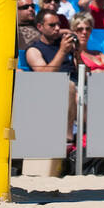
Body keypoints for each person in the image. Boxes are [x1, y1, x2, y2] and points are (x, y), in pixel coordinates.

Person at [23, 10, 79, 142]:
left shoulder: (65, 44)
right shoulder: (34, 50)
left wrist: (78, 52)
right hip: (54, 91)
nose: (57, 28)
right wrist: (62, 51)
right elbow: (44, 76)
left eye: (58, 24)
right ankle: (68, 138)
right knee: (69, 86)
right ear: (40, 27)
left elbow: (79, 69)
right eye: (52, 25)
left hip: (78, 88)